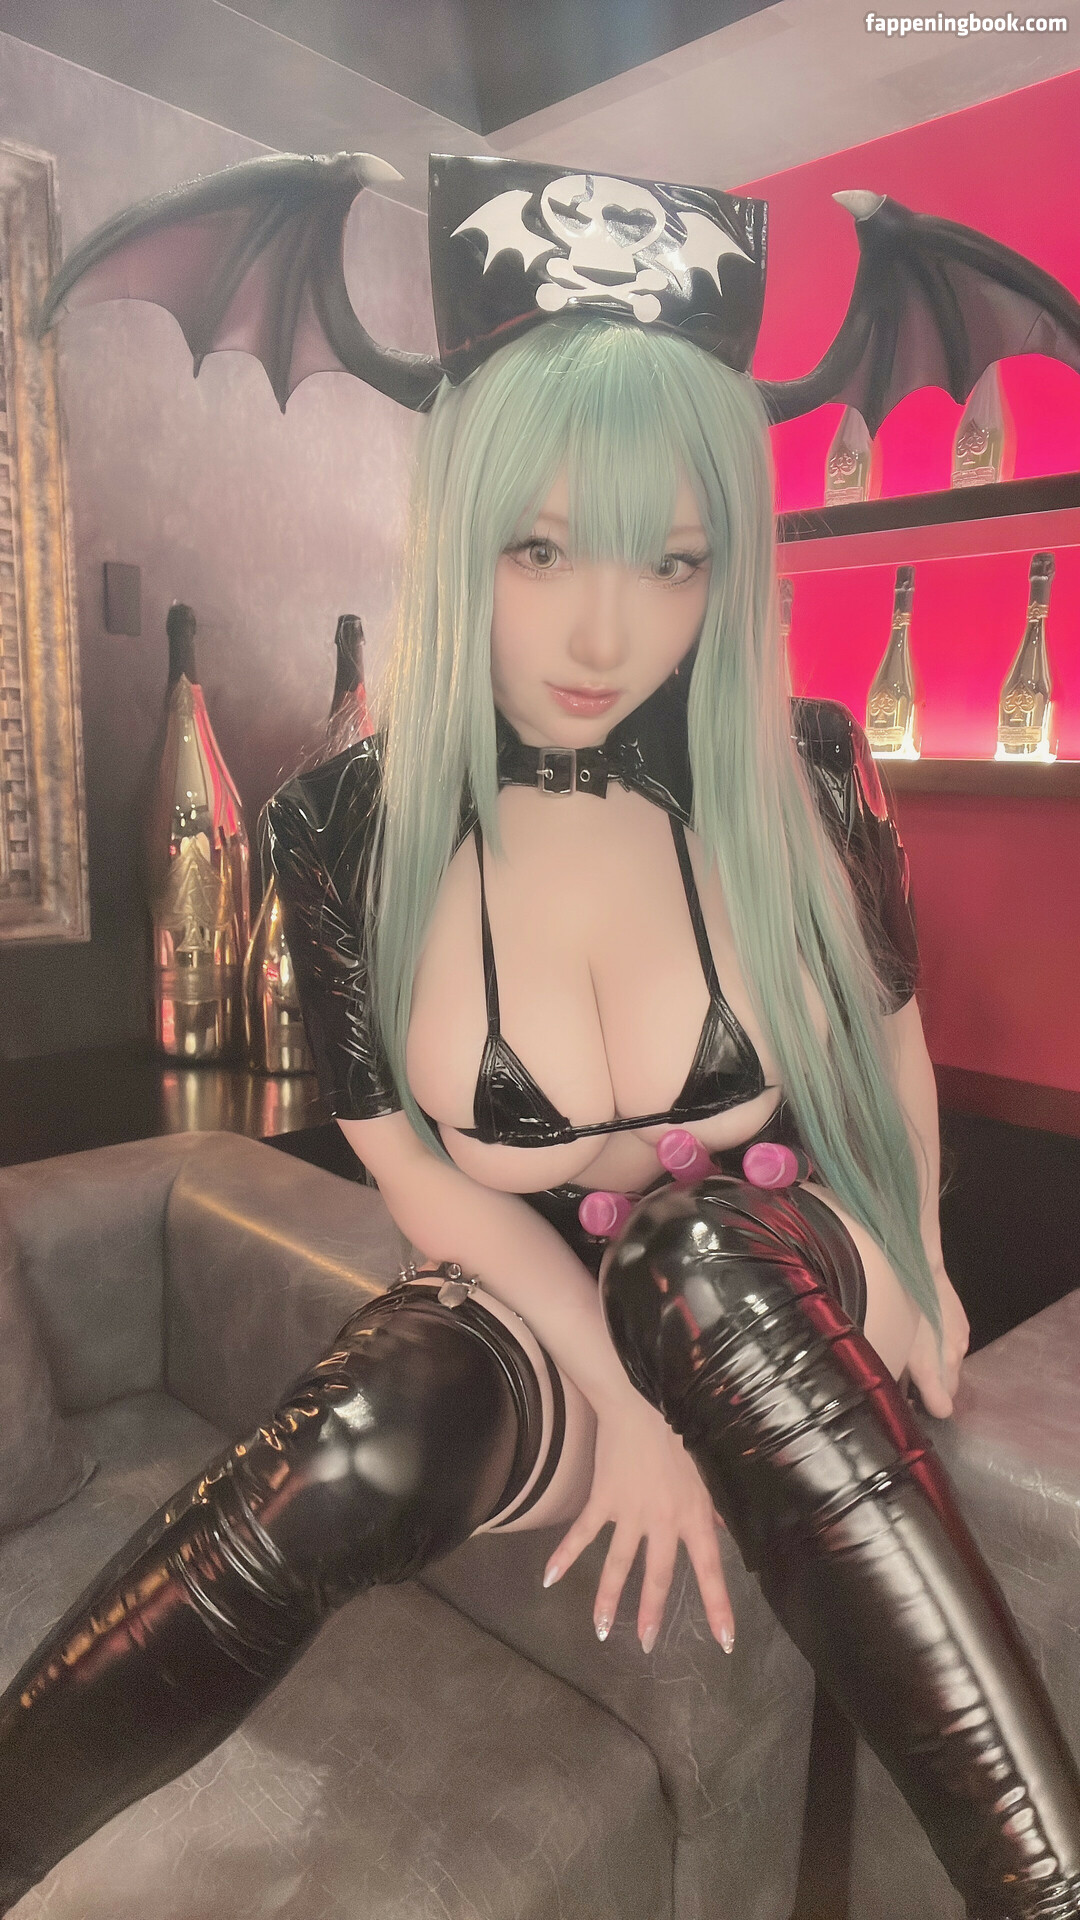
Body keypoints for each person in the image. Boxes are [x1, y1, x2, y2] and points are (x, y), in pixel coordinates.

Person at [3, 168, 1080, 1920]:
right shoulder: (344, 823)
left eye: (673, 563)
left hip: (769, 1259)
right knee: (370, 1428)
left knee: (694, 1256)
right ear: (461, 533)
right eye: (543, 549)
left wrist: (918, 1259)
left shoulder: (803, 770)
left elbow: (896, 1048)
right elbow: (419, 1176)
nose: (605, 632)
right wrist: (627, 1403)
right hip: (541, 1299)